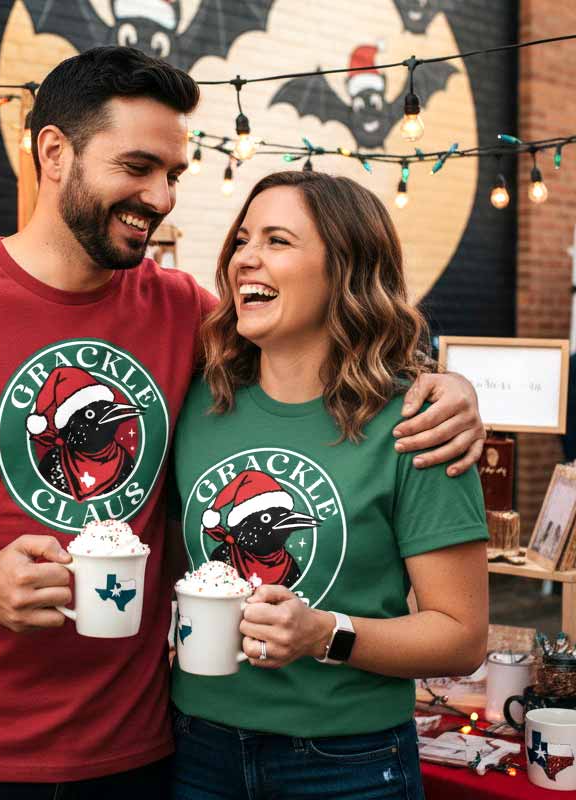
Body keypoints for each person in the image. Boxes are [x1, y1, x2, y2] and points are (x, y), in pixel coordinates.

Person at [0, 48, 483, 799]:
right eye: (137, 167)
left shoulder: (187, 316)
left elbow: (319, 343)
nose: (160, 197)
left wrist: (448, 387)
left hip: (139, 754)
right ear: (54, 153)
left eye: (173, 174)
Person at [169, 170, 489, 800]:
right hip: (197, 746)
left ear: (345, 270)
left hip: (348, 761)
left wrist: (325, 634)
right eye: (242, 239)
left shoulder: (416, 425)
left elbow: (460, 637)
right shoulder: (196, 399)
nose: (245, 258)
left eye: (278, 240)